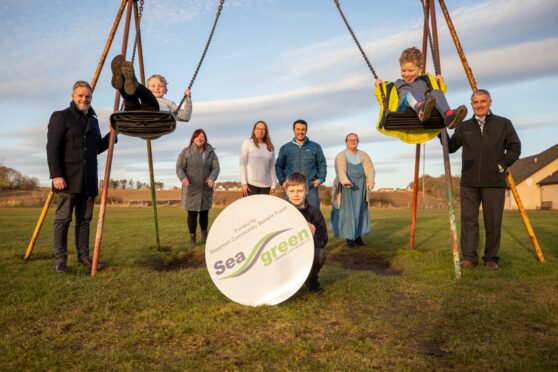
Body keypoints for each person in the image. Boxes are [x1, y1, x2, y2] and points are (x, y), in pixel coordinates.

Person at [443, 89, 521, 270]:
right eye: (475, 102)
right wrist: (441, 134)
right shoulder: (464, 127)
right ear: (471, 105)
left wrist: (501, 165)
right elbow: (451, 147)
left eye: (482, 101)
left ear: (490, 103)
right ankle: (469, 257)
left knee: (493, 221)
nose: (479, 105)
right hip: (469, 183)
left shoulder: (503, 124)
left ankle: (491, 258)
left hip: (494, 182)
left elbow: (515, 147)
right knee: (468, 221)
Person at [46, 81, 114, 273]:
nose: (84, 99)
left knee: (84, 221)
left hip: (89, 179)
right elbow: (53, 147)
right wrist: (56, 174)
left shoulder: (93, 120)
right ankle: (60, 260)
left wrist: (111, 134)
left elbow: (95, 148)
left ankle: (84, 257)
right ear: (73, 96)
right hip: (67, 178)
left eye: (88, 97)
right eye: (81, 96)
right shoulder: (61, 117)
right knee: (63, 219)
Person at [375, 47, 467, 129]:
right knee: (411, 94)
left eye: (411, 70)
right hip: (404, 110)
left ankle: (449, 116)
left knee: (436, 92)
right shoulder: (398, 83)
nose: (406, 74)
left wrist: (440, 83)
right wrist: (380, 88)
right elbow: (385, 100)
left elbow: (441, 96)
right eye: (403, 70)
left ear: (420, 69)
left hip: (425, 108)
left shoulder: (424, 81)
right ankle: (421, 109)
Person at [110, 55, 192, 121]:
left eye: (160, 86)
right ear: (147, 88)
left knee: (149, 100)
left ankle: (135, 84)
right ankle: (122, 82)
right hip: (134, 117)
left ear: (166, 90)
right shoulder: (142, 97)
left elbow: (185, 117)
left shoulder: (169, 103)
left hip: (154, 118)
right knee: (131, 100)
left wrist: (188, 98)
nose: (156, 88)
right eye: (153, 86)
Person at [284, 172, 328, 294]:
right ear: (286, 191)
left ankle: (311, 282)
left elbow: (323, 239)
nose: (296, 194)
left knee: (319, 254)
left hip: (305, 254)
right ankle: (281, 282)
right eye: (292, 191)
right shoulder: (281, 212)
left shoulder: (315, 213)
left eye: (300, 190)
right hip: (284, 253)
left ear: (307, 190)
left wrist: (311, 236)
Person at [176, 129, 220, 248]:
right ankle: (192, 239)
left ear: (205, 138)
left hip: (206, 188)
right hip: (191, 188)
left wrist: (212, 178)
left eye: (202, 137)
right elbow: (179, 168)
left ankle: (205, 236)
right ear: (193, 138)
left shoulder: (211, 152)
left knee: (204, 213)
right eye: (198, 137)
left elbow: (216, 168)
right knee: (192, 214)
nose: (200, 139)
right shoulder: (186, 152)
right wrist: (183, 178)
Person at [331, 133, 375, 248]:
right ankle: (349, 239)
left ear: (358, 141)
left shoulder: (364, 155)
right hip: (347, 187)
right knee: (349, 213)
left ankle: (358, 237)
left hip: (361, 187)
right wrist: (345, 181)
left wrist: (370, 180)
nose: (353, 141)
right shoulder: (341, 155)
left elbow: (370, 168)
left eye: (355, 139)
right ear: (346, 142)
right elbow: (340, 171)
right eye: (350, 139)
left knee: (360, 211)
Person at [275, 119, 327, 209]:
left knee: (314, 216)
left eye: (303, 129)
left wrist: (321, 179)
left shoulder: (315, 147)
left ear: (306, 130)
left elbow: (322, 164)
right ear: (293, 130)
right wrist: (282, 181)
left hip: (310, 187)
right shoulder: (285, 148)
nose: (300, 132)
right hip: (291, 188)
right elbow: (278, 166)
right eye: (298, 129)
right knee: (290, 215)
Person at [240, 120, 278, 196]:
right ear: (254, 130)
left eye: (263, 129)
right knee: (250, 208)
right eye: (258, 129)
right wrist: (244, 183)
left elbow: (272, 167)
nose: (260, 131)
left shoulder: (270, 147)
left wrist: (274, 184)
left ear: (266, 132)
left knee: (264, 208)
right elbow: (242, 164)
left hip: (266, 186)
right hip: (250, 185)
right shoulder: (247, 143)